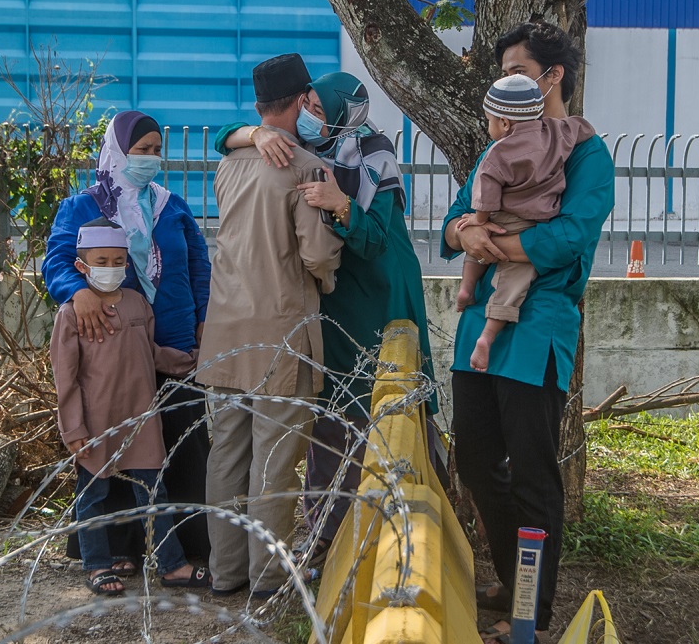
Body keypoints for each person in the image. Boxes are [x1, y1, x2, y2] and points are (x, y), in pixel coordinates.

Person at [215, 70, 440, 565]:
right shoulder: (301, 151)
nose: (309, 116)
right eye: (307, 105)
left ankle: (391, 524)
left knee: (378, 409)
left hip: (378, 296)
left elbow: (376, 239)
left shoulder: (374, 153)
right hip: (331, 296)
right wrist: (254, 133)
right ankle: (326, 533)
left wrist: (341, 204)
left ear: (344, 113)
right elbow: (223, 136)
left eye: (319, 109)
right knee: (329, 414)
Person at [441, 22, 615, 643]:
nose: (508, 85)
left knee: (535, 474)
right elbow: (454, 219)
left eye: (519, 72)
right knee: (476, 460)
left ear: (553, 77)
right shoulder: (503, 142)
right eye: (503, 75)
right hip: (478, 327)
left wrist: (495, 244)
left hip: (538, 327)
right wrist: (467, 232)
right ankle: (515, 576)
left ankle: (529, 617)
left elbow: (572, 235)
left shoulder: (586, 153)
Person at [195, 53, 343, 597]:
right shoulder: (306, 167)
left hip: (225, 330)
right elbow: (318, 255)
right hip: (281, 332)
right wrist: (329, 276)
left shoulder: (230, 163)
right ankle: (268, 578)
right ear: (303, 100)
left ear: (259, 107)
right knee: (274, 463)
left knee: (226, 457)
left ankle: (227, 571)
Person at [43, 110, 212, 570]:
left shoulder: (171, 206)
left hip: (175, 345)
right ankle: (118, 550)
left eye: (156, 150)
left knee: (182, 446)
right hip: (110, 350)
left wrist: (203, 318)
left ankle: (189, 547)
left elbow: (199, 266)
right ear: (118, 151)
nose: (150, 158)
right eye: (141, 150)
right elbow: (57, 260)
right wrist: (77, 293)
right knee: (114, 446)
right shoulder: (83, 207)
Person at [50, 218, 208, 595]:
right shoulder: (70, 316)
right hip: (97, 423)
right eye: (101, 261)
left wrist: (192, 362)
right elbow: (65, 379)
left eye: (118, 261)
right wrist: (73, 429)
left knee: (153, 493)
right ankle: (97, 565)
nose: (111, 268)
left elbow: (149, 354)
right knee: (93, 495)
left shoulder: (138, 304)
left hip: (141, 420)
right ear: (82, 266)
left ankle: (171, 564)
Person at [455, 74, 594, 372]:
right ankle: (488, 335)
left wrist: (478, 221)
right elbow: (582, 128)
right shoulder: (556, 134)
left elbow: (485, 195)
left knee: (477, 249)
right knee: (514, 282)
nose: (489, 127)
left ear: (505, 123)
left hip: (500, 216)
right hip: (532, 222)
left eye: (489, 121)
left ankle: (467, 289)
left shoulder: (497, 153)